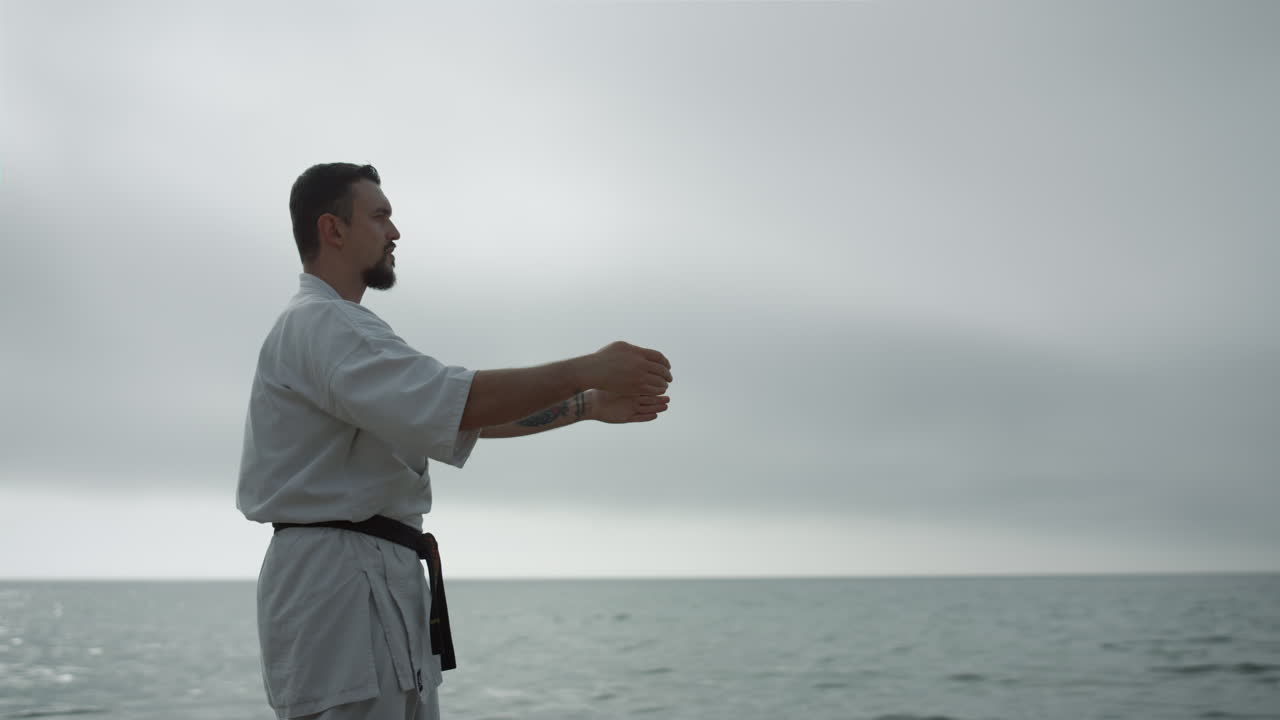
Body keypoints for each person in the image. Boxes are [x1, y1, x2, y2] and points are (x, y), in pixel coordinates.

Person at [236, 162, 673, 720]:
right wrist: (588, 368)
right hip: (342, 586)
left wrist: (585, 405)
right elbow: (457, 401)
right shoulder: (324, 326)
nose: (395, 232)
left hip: (366, 580)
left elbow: (453, 416)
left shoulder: (340, 331)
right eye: (380, 215)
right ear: (333, 229)